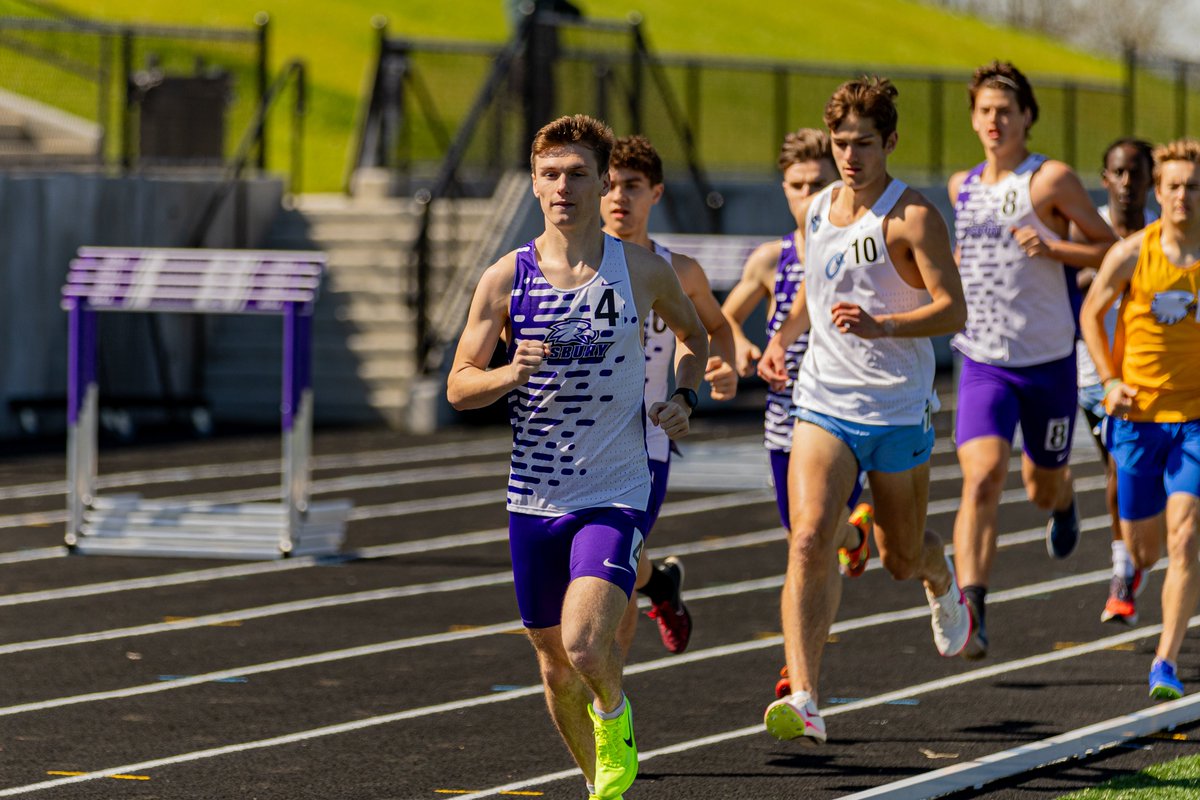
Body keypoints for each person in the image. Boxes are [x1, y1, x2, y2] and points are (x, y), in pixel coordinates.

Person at [446, 114, 709, 799]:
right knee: (555, 669)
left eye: (578, 174)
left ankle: (615, 715)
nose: (563, 186)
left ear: (601, 182)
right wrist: (508, 374)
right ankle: (601, 787)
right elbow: (458, 387)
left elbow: (694, 337)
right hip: (534, 496)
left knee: (587, 645)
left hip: (614, 489)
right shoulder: (505, 279)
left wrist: (684, 397)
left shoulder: (641, 271)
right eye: (551, 174)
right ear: (535, 185)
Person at [758, 76, 971, 746]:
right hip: (823, 401)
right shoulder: (818, 210)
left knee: (901, 559)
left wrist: (885, 326)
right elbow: (814, 291)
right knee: (807, 537)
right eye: (841, 142)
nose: (851, 156)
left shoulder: (913, 217)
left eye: (865, 143)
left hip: (898, 409)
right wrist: (782, 339)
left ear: (891, 142)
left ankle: (941, 576)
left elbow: (954, 309)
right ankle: (806, 696)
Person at [949, 61, 1117, 660]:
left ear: (1026, 117)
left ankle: (1064, 500)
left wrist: (1055, 246)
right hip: (982, 360)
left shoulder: (1049, 180)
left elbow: (1112, 249)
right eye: (985, 111)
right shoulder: (962, 186)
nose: (994, 121)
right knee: (982, 477)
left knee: (1041, 487)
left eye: (1005, 111)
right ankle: (972, 608)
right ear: (973, 119)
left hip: (1047, 362)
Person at [600, 133, 739, 655]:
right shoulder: (575, 267)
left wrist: (724, 365)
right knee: (607, 561)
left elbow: (715, 328)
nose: (619, 197)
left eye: (632, 185)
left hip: (648, 439)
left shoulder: (678, 271)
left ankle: (608, 693)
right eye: (610, 185)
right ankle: (659, 584)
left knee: (612, 570)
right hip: (581, 440)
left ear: (655, 193)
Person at [1080, 138, 1200, 700]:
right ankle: (1136, 568)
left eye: (1193, 187)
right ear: (1159, 190)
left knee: (1186, 534)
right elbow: (1091, 313)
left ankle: (1164, 662)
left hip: (1194, 420)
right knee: (1145, 548)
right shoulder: (1132, 253)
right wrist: (1109, 381)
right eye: (1173, 186)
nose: (1183, 196)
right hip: (1137, 419)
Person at [722, 128, 869, 537]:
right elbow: (725, 318)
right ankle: (855, 535)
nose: (807, 195)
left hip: (843, 416)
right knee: (800, 536)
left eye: (818, 185)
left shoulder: (861, 252)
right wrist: (742, 346)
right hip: (784, 421)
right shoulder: (772, 260)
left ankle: (848, 535)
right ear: (784, 188)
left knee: (814, 534)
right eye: (797, 185)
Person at [1072, 139, 1157, 625]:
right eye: (1118, 173)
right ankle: (1123, 570)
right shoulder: (1087, 230)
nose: (1127, 183)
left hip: (1161, 377)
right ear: (1104, 178)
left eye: (1136, 173)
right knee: (1118, 470)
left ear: (1151, 180)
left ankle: (1135, 557)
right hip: (1098, 376)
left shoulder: (1168, 234)